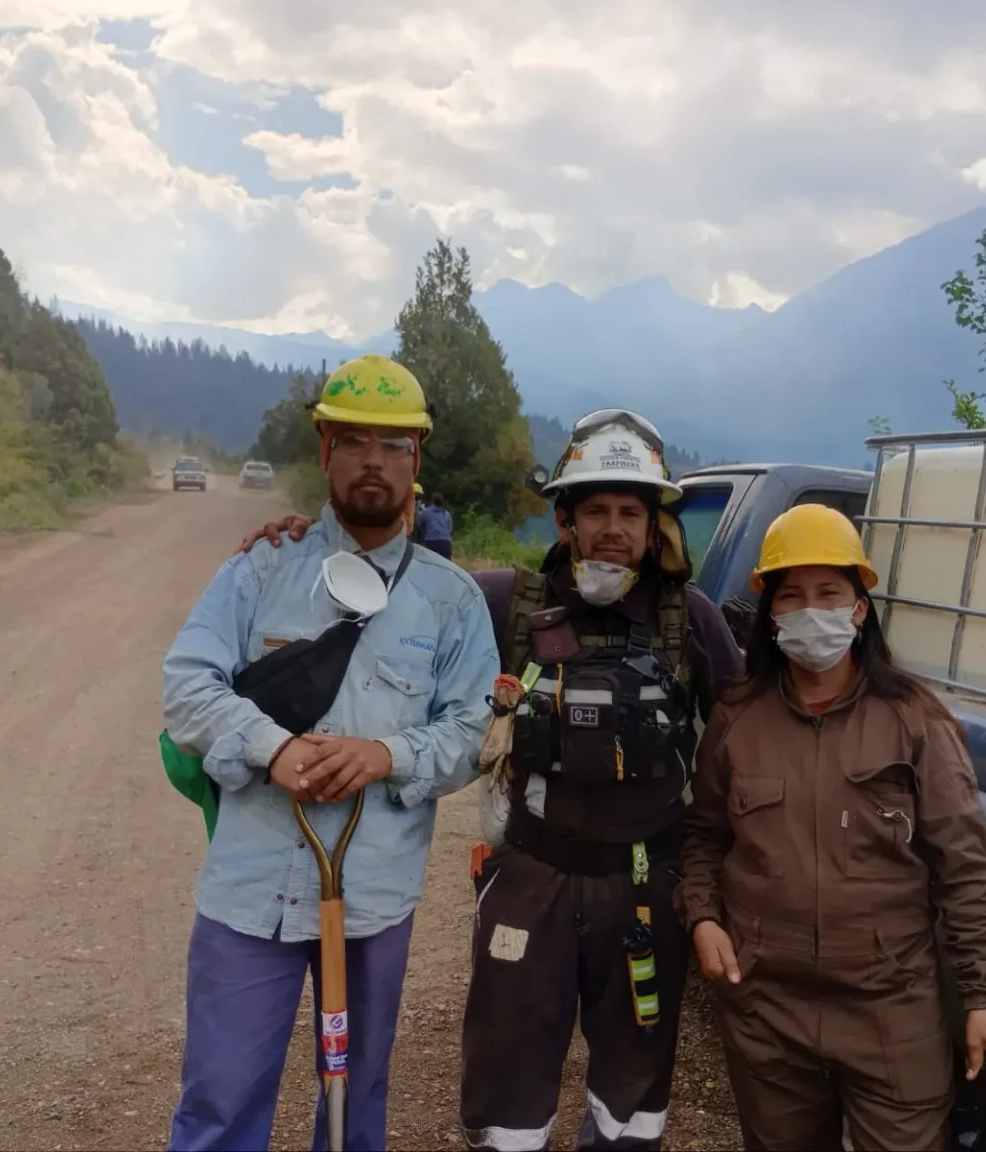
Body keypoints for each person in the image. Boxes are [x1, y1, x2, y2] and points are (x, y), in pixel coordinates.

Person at [235, 409, 744, 1152]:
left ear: (652, 524)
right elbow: (391, 588)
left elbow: (743, 750)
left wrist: (714, 894)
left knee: (635, 1089)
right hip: (531, 880)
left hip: (646, 886)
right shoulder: (508, 602)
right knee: (507, 1080)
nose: (611, 528)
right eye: (594, 510)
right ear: (565, 520)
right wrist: (310, 543)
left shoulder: (689, 621)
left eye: (629, 512)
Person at [161, 353, 498, 1152]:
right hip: (250, 896)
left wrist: (386, 756)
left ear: (417, 459)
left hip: (374, 898)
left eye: (393, 445)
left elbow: (470, 732)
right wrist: (270, 748)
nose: (373, 461)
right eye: (354, 441)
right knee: (219, 1101)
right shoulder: (260, 568)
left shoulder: (452, 603)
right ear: (324, 452)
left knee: (355, 1102)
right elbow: (186, 687)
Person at [679, 502, 986, 1152]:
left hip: (888, 1008)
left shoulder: (916, 721)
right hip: (766, 1006)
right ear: (771, 616)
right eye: (792, 596)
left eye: (829, 593)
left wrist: (985, 998)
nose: (811, 610)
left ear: (859, 608)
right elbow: (703, 835)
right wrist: (702, 918)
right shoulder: (738, 719)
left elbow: (966, 869)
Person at [418, 492, 454, 560]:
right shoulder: (447, 514)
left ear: (432, 501)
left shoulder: (426, 512)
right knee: (446, 565)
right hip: (445, 542)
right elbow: (450, 530)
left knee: (431, 564)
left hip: (431, 541)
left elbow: (421, 525)